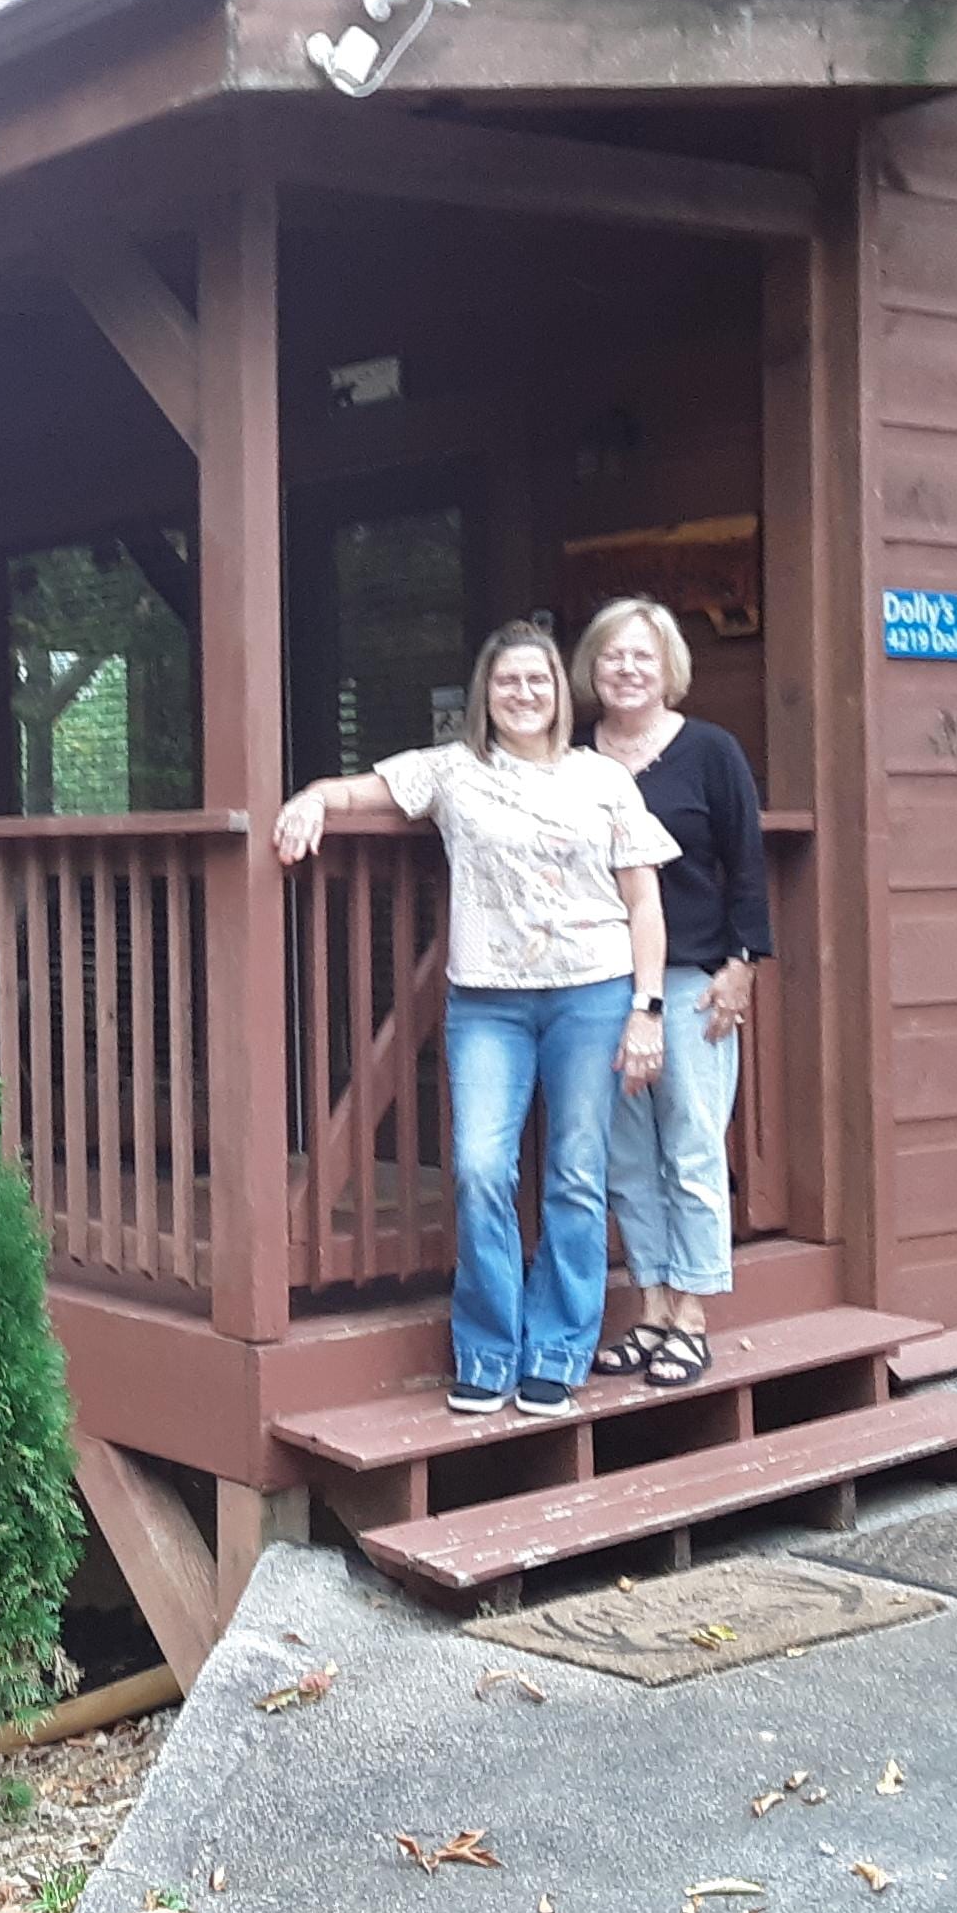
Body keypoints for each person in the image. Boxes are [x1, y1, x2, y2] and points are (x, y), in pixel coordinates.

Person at [274, 620, 677, 1415]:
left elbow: (643, 902)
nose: (523, 694)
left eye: (538, 680)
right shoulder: (452, 771)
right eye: (506, 682)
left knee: (574, 1171)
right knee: (482, 1168)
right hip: (487, 1002)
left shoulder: (603, 780)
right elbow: (355, 789)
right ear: (484, 697)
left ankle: (558, 1350)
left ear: (561, 692)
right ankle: (488, 1351)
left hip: (593, 994)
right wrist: (309, 801)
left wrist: (648, 1009)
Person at [573, 597, 773, 1391]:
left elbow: (747, 864)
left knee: (690, 1146)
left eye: (643, 658)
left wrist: (743, 963)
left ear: (669, 671)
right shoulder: (571, 758)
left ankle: (691, 1316)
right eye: (613, 656)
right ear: (591, 668)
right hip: (596, 983)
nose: (627, 670)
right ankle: (651, 1307)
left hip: (692, 979)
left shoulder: (711, 752)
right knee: (626, 1156)